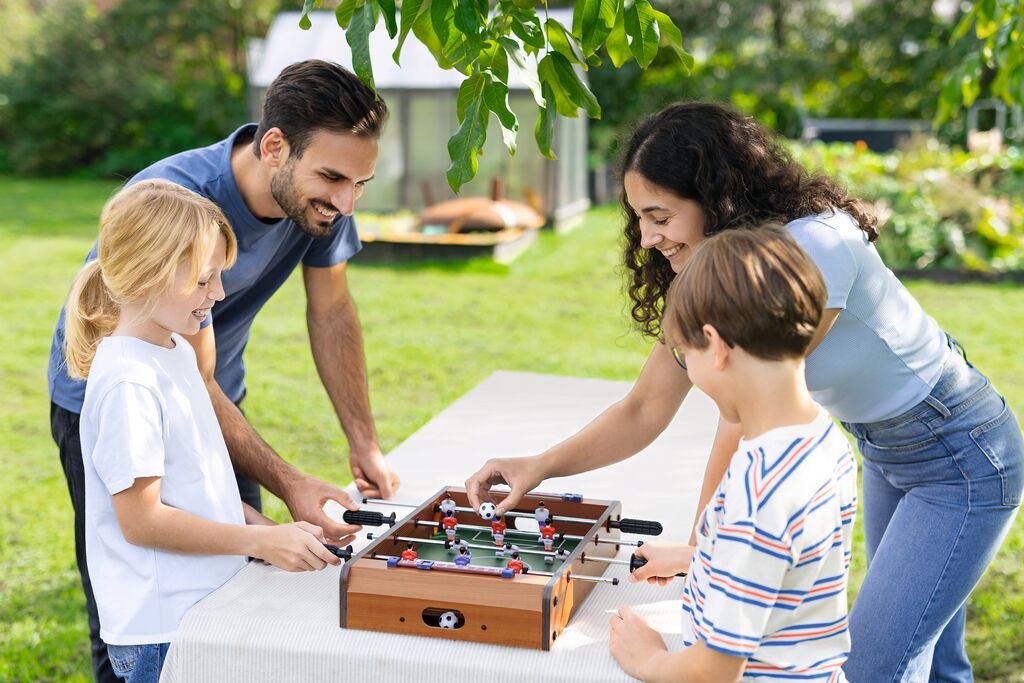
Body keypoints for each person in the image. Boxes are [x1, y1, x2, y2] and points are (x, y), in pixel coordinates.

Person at [467, 101, 1024, 681]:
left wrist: (705, 564)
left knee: (879, 666)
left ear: (716, 199)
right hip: (884, 446)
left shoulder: (806, 252)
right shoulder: (726, 275)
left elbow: (744, 417)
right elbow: (644, 407)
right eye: (638, 217)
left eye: (659, 215)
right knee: (928, 652)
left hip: (959, 453)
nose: (647, 236)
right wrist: (539, 466)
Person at [48, 59, 400, 682]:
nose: (346, 203)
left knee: (235, 592)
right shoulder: (172, 210)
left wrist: (360, 444)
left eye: (361, 183)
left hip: (199, 393)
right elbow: (144, 521)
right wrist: (280, 500)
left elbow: (333, 311)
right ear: (274, 148)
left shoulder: (318, 205)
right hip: (120, 405)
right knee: (128, 609)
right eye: (332, 178)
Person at [64, 180, 340, 683]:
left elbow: (197, 491)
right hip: (162, 632)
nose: (218, 293)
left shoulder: (174, 353)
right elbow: (143, 522)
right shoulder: (130, 383)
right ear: (148, 274)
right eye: (204, 279)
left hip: (196, 612)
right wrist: (257, 543)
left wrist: (270, 531)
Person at [609, 225, 858, 681]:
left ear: (717, 346)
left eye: (687, 354)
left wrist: (648, 657)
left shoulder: (758, 486)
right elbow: (789, 563)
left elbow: (716, 669)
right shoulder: (824, 439)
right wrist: (698, 559)